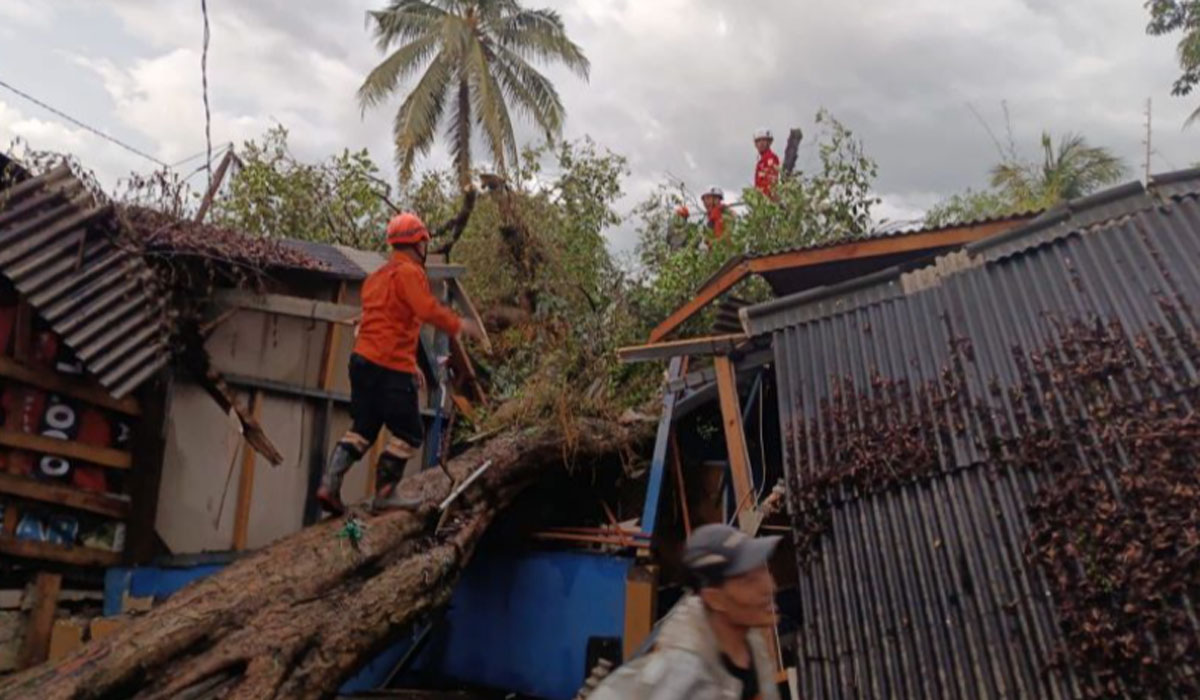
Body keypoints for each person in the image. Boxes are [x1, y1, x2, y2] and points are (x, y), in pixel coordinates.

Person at [315, 211, 482, 515]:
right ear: (419, 244)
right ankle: (386, 493)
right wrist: (459, 325)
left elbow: (383, 323)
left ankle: (330, 485)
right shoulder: (410, 274)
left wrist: (412, 364)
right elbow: (425, 308)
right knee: (410, 432)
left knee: (364, 427)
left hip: (363, 360)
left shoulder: (377, 278)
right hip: (388, 365)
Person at [589, 524, 783, 700]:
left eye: (763, 572)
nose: (770, 587)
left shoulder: (749, 641)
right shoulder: (684, 677)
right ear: (715, 599)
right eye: (748, 581)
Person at [753, 129, 780, 200]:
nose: (761, 143)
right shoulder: (760, 161)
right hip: (761, 199)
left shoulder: (771, 157)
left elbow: (771, 179)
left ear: (769, 142)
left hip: (768, 199)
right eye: (758, 141)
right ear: (756, 144)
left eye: (764, 140)